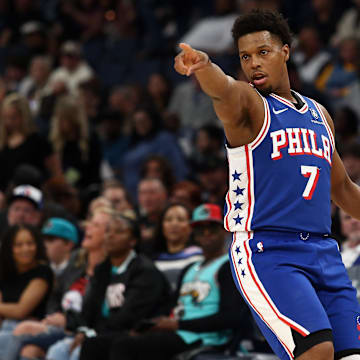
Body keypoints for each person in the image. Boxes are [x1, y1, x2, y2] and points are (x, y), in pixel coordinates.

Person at [174, 8, 360, 360]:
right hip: (267, 251)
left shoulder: (320, 115)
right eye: (245, 56)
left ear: (285, 52)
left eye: (263, 52)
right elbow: (224, 90)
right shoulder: (250, 106)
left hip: (323, 251)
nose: (254, 64)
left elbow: (344, 190)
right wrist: (204, 68)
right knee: (317, 352)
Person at [78, 203, 250, 360]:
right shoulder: (190, 268)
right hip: (179, 331)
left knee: (126, 347)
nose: (206, 234)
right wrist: (150, 325)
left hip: (206, 337)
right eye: (200, 229)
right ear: (193, 234)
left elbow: (232, 317)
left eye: (212, 228)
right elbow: (170, 307)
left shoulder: (228, 267)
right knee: (95, 344)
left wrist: (177, 324)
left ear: (225, 231)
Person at [46, 211, 170, 360]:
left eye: (119, 231)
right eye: (108, 231)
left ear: (133, 241)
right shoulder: (102, 270)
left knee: (80, 352)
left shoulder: (144, 271)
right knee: (58, 351)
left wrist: (93, 333)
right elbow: (89, 310)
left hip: (130, 336)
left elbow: (130, 316)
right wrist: (84, 331)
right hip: (100, 333)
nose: (110, 235)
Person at [0, 224, 53, 358]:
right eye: (18, 245)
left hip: (34, 328)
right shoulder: (4, 272)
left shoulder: (42, 272)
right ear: (9, 249)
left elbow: (21, 310)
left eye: (30, 243)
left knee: (7, 333)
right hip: (6, 326)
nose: (26, 249)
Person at [152, 203, 203, 291]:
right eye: (168, 220)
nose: (174, 224)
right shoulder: (152, 260)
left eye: (181, 219)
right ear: (161, 226)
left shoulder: (199, 257)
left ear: (191, 227)